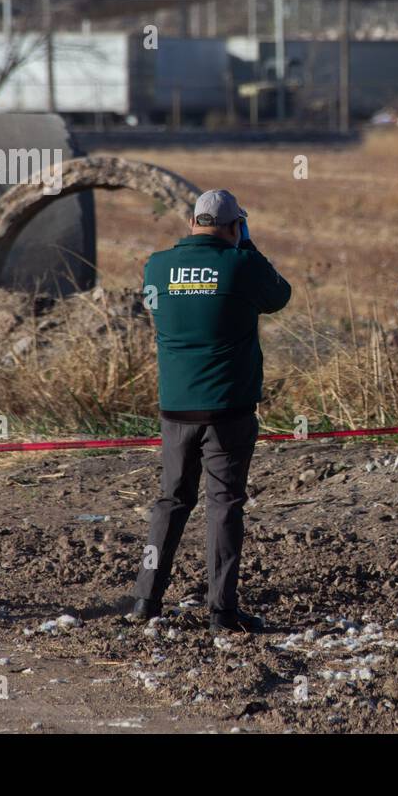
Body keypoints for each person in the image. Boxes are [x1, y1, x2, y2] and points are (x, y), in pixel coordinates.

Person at [121, 189, 291, 633]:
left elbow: (156, 305)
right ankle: (222, 611)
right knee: (224, 506)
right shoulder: (242, 264)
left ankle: (145, 599)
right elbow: (279, 296)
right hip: (228, 410)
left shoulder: (156, 265)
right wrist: (248, 247)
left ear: (193, 222)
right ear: (235, 226)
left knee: (170, 502)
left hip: (175, 407)